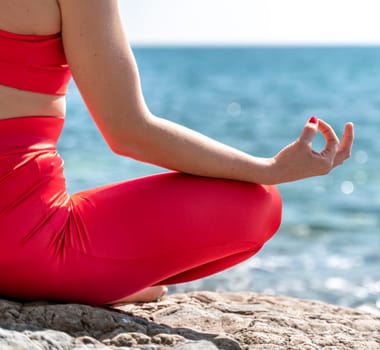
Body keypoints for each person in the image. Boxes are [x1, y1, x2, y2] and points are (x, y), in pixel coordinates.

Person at [0, 0, 354, 305]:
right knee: (261, 204)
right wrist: (270, 169)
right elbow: (128, 131)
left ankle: (91, 277)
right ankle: (87, 283)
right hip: (20, 247)